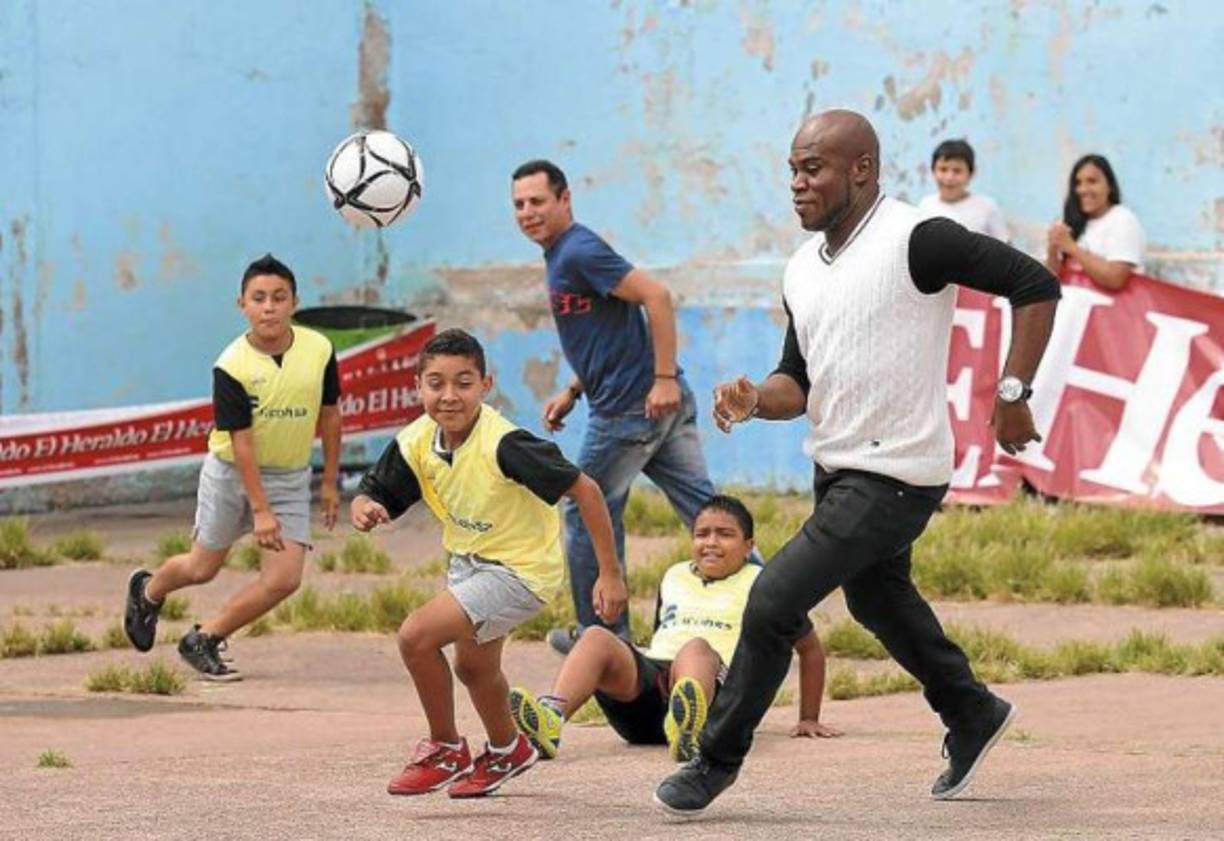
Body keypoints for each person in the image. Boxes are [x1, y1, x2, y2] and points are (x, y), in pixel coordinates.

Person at [653, 110, 1062, 817]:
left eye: (813, 168)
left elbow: (1034, 284)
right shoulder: (801, 270)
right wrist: (755, 399)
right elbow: (798, 384)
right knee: (876, 598)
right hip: (839, 469)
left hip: (899, 470)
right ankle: (972, 710)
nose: (797, 184)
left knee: (773, 599)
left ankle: (714, 760)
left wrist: (1012, 390)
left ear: (862, 169)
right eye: (792, 170)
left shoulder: (917, 238)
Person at [349, 328, 628, 798]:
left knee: (416, 637)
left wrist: (610, 572)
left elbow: (586, 489)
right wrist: (364, 506)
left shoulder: (505, 443)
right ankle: (506, 750)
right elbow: (377, 490)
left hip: (520, 571)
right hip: (469, 563)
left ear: (486, 385)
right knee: (475, 669)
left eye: (463, 382)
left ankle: (445, 747)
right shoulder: (418, 439)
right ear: (418, 387)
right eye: (435, 383)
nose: (449, 395)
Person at [511, 159, 722, 655]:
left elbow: (657, 296)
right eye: (519, 205)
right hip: (648, 403)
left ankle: (602, 639)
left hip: (632, 410)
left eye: (538, 202)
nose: (528, 213)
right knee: (707, 513)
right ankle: (774, 612)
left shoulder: (578, 250)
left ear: (565, 200)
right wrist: (574, 389)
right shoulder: (564, 254)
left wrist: (663, 377)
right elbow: (611, 330)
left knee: (584, 507)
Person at [123, 254, 341, 681]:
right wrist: (259, 510)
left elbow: (331, 415)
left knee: (284, 579)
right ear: (241, 304)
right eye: (258, 298)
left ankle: (203, 639)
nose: (269, 307)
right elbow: (241, 443)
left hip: (289, 475)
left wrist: (330, 482)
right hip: (230, 474)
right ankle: (148, 591)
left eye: (279, 297)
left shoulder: (319, 349)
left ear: (295, 302)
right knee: (202, 569)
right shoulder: (232, 365)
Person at [509, 495, 839, 764]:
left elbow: (809, 649)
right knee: (596, 636)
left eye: (725, 534)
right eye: (702, 533)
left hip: (715, 695)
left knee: (696, 648)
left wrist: (808, 716)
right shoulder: (675, 575)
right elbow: (660, 633)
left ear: (748, 544)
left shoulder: (764, 584)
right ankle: (550, 720)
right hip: (650, 697)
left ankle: (689, 731)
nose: (711, 542)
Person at [1046, 153, 1146, 291]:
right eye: (1078, 183)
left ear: (1109, 186)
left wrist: (1072, 248)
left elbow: (1115, 279)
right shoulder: (1071, 222)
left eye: (1092, 181)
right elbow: (1049, 281)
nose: (1083, 190)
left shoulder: (1123, 220)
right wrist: (1053, 250)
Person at [917, 138, 1010, 240]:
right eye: (943, 169)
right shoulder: (925, 205)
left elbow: (1005, 245)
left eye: (957, 171)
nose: (949, 177)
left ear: (971, 173)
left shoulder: (987, 207)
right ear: (933, 171)